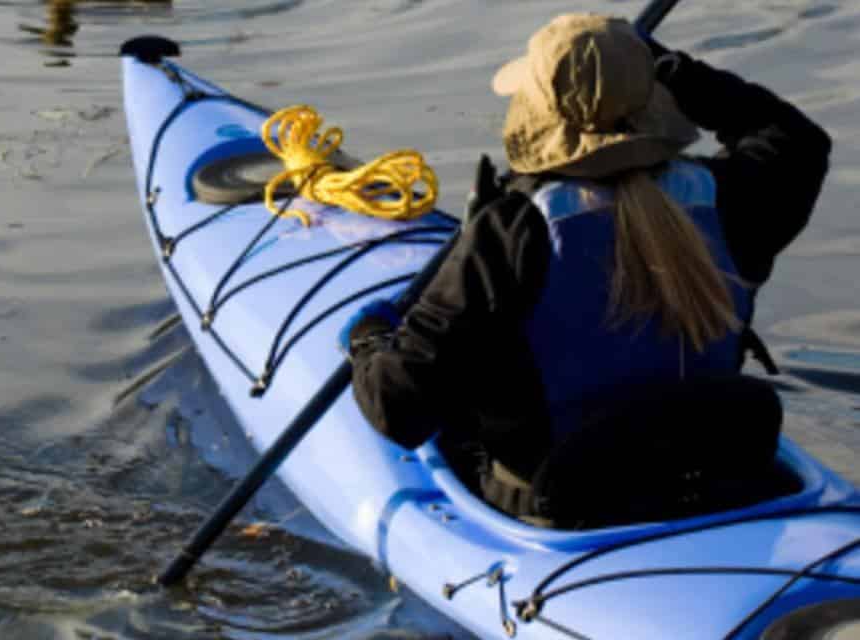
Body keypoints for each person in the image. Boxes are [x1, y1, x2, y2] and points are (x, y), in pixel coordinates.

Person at [340, 14, 831, 526]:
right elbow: (795, 137)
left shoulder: (510, 231)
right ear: (655, 101)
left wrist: (369, 339)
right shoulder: (734, 198)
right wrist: (675, 69)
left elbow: (397, 408)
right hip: (718, 477)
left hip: (567, 511)